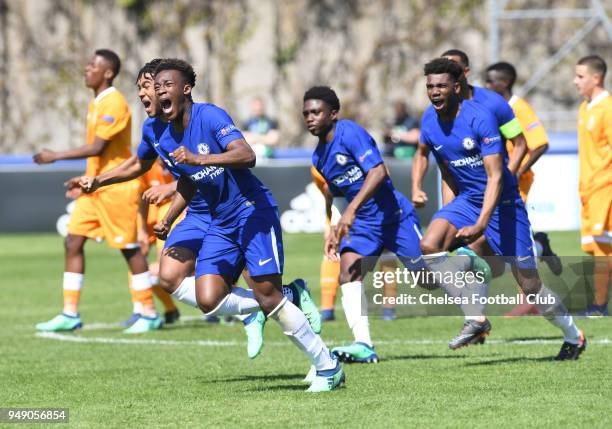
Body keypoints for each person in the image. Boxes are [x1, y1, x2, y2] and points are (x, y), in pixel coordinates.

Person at [84, 59, 343, 392]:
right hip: (218, 219)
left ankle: (327, 366)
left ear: (186, 89)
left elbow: (246, 155)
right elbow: (187, 179)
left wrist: (200, 159)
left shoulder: (210, 116)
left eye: (166, 86)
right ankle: (290, 296)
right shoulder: (156, 131)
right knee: (208, 298)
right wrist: (158, 205)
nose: (158, 92)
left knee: (268, 298)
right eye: (154, 86)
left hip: (251, 212)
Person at [413, 58, 586, 360]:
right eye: (429, 86)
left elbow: (497, 174)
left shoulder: (483, 115)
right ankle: (476, 318)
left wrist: (481, 223)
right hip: (468, 199)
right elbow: (437, 161)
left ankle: (574, 335)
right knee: (429, 244)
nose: (434, 92)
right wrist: (438, 200)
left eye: (441, 85)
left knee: (530, 286)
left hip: (504, 204)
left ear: (457, 85)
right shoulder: (429, 120)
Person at [303, 86, 489, 361]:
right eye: (306, 113)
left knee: (427, 280)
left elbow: (378, 171)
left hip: (394, 217)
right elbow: (334, 191)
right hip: (365, 225)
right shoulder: (318, 157)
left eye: (316, 112)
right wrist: (333, 224)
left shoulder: (350, 133)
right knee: (348, 272)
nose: (310, 118)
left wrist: (352, 209)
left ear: (333, 113)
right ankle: (364, 345)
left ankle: (465, 263)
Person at [33, 49, 162, 334]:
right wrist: (84, 179)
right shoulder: (97, 103)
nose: (86, 69)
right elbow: (99, 156)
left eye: (93, 65)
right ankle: (69, 313)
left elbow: (97, 148)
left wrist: (55, 155)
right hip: (94, 186)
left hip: (116, 187)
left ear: (108, 73)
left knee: (129, 248)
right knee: (72, 241)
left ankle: (148, 312)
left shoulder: (114, 102)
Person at [485, 61, 563, 315]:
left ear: (504, 83)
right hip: (499, 180)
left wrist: (517, 170)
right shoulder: (497, 108)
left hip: (514, 182)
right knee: (502, 237)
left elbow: (539, 143)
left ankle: (529, 298)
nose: (486, 85)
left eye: (490, 81)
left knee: (513, 233)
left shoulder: (519, 107)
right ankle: (540, 246)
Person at [574, 54, 611, 317]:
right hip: (588, 189)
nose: (575, 81)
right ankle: (598, 304)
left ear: (596, 78)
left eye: (580, 76)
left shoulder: (608, 108)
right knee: (594, 247)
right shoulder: (585, 108)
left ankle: (598, 306)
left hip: (605, 187)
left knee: (602, 247)